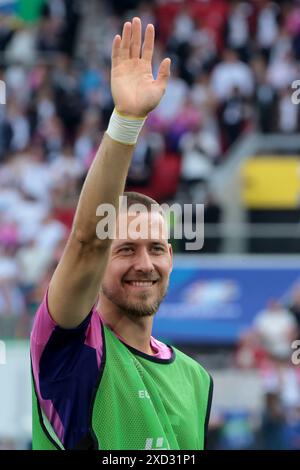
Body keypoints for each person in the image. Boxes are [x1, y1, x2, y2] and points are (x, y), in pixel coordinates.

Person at [30, 17, 213, 451]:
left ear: (171, 255)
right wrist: (127, 121)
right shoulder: (69, 352)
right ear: (98, 266)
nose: (144, 264)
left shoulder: (197, 379)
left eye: (155, 249)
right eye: (126, 249)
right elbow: (88, 240)